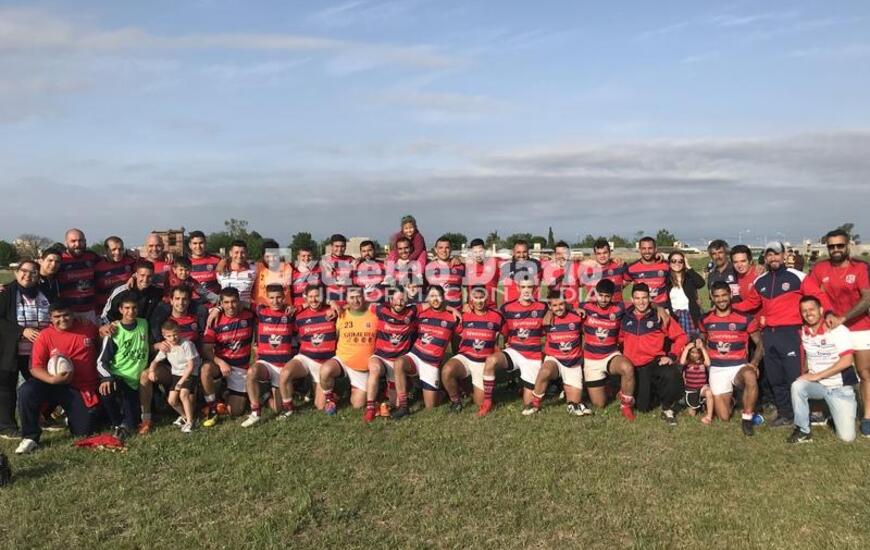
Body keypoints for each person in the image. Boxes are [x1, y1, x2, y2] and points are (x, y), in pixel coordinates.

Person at [739, 241, 823, 427]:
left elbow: (818, 297)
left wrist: (828, 315)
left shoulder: (798, 277)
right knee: (776, 378)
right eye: (769, 255)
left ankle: (801, 415)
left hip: (791, 333)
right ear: (765, 258)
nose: (773, 258)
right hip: (769, 334)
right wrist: (730, 307)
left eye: (776, 254)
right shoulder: (760, 281)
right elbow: (751, 304)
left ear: (784, 255)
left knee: (794, 377)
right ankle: (785, 414)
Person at [15, 302, 102, 454]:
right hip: (52, 383)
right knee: (26, 390)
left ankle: (68, 415)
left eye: (66, 315)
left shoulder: (87, 328)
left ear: (73, 314)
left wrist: (106, 329)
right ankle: (30, 437)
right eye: (57, 317)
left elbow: (101, 336)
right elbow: (35, 368)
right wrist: (52, 380)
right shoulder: (45, 336)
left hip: (79, 387)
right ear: (50, 318)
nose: (62, 319)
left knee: (84, 432)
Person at [807, 228, 870, 436]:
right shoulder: (820, 268)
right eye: (831, 246)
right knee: (829, 369)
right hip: (832, 327)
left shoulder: (859, 268)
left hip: (859, 327)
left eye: (839, 245)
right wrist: (827, 313)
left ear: (847, 246)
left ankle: (868, 416)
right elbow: (811, 290)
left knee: (864, 373)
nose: (835, 249)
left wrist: (844, 317)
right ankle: (830, 410)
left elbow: (867, 298)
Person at [789, 296, 858, 443]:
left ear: (821, 310)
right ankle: (803, 431)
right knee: (798, 385)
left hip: (840, 387)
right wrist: (806, 374)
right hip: (819, 385)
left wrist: (816, 375)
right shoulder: (804, 331)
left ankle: (833, 414)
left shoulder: (837, 330)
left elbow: (847, 361)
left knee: (847, 438)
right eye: (804, 311)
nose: (808, 314)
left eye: (812, 309)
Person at [699, 282, 763, 435]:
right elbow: (702, 338)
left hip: (738, 366)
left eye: (724, 295)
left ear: (730, 295)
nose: (721, 299)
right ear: (712, 298)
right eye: (717, 296)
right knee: (724, 417)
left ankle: (747, 419)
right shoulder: (705, 319)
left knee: (750, 375)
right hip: (717, 368)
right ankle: (733, 400)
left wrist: (754, 363)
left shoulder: (744, 318)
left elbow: (761, 343)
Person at [478, 280, 548, 417]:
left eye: (530, 287)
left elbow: (561, 308)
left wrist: (551, 313)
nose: (526, 290)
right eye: (523, 287)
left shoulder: (543, 307)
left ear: (535, 289)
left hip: (532, 355)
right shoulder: (507, 307)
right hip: (514, 351)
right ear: (517, 288)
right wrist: (496, 343)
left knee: (528, 403)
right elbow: (493, 319)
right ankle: (487, 402)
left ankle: (526, 387)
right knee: (491, 361)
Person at [620, 283, 687, 425]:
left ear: (650, 299)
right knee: (643, 407)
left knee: (672, 374)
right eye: (637, 298)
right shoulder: (624, 317)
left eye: (644, 298)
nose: (641, 302)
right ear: (631, 299)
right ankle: (651, 392)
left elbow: (681, 336)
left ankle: (667, 406)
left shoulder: (659, 316)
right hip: (633, 367)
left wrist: (672, 356)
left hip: (654, 362)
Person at [391, 286, 461, 419]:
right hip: (415, 356)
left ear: (443, 297)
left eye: (438, 296)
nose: (435, 299)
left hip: (431, 364)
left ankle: (442, 392)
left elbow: (459, 341)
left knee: (431, 406)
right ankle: (404, 407)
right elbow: (402, 311)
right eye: (432, 296)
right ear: (428, 298)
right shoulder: (420, 313)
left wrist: (451, 309)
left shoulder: (452, 318)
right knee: (399, 362)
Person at [140, 285, 202, 434]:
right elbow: (150, 346)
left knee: (188, 401)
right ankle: (146, 419)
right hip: (171, 369)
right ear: (171, 300)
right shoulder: (163, 321)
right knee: (145, 375)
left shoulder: (196, 319)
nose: (181, 303)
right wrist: (157, 345)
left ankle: (189, 416)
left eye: (185, 299)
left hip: (190, 369)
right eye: (177, 299)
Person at [0, 261, 52, 438]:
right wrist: (22, 331)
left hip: (37, 352)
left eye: (33, 272)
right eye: (23, 271)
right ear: (16, 273)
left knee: (39, 387)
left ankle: (38, 419)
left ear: (39, 275)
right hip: (10, 350)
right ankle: (7, 427)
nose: (27, 275)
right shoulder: (5, 292)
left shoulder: (46, 292)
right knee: (7, 388)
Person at [578, 279, 636, 419]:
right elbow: (564, 306)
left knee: (627, 368)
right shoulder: (585, 306)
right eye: (601, 295)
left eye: (607, 296)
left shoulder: (619, 308)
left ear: (612, 296)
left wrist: (659, 309)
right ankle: (608, 386)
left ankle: (626, 405)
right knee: (599, 404)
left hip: (610, 355)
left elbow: (641, 303)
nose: (604, 299)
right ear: (595, 294)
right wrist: (573, 309)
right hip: (591, 360)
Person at [523, 292, 588, 416]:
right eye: (555, 305)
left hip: (573, 361)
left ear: (566, 303)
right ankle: (535, 403)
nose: (559, 308)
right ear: (550, 306)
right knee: (545, 371)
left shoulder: (577, 316)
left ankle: (569, 396)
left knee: (574, 402)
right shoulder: (546, 319)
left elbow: (587, 335)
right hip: (554, 358)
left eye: (562, 304)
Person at [441, 286, 503, 412]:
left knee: (479, 402)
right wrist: (451, 308)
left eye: (482, 298)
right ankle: (456, 401)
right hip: (466, 357)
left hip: (483, 363)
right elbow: (438, 307)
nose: (479, 301)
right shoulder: (464, 316)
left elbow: (508, 332)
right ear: (471, 300)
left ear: (487, 299)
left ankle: (468, 387)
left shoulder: (496, 316)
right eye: (476, 298)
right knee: (447, 370)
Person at [96, 295, 149, 440]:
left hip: (137, 381)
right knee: (106, 390)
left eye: (134, 308)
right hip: (119, 377)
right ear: (120, 309)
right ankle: (116, 423)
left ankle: (126, 423)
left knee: (133, 424)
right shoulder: (113, 330)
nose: (130, 312)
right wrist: (106, 378)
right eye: (126, 308)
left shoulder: (144, 324)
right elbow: (101, 361)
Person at [200, 287, 255, 426]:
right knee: (205, 369)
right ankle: (212, 407)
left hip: (240, 368)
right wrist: (220, 362)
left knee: (235, 411)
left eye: (234, 301)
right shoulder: (215, 320)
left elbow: (264, 308)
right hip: (221, 365)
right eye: (226, 302)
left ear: (239, 301)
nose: (231, 306)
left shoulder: (249, 315)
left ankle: (225, 392)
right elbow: (206, 350)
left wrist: (245, 304)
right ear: (221, 303)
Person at [241, 284, 294, 427]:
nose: (275, 301)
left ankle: (266, 393)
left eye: (278, 298)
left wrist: (297, 307)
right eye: (271, 298)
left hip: (283, 366)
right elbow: (240, 301)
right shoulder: (261, 310)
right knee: (252, 372)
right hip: (265, 363)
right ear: (267, 299)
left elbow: (311, 304)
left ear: (284, 298)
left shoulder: (290, 313)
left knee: (277, 408)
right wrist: (217, 308)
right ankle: (255, 412)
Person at [320, 287, 378, 415]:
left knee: (357, 404)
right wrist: (333, 306)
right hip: (342, 360)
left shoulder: (375, 314)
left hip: (362, 366)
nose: (355, 300)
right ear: (346, 299)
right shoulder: (341, 314)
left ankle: (351, 388)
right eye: (351, 297)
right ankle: (331, 399)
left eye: (358, 297)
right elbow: (335, 335)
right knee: (325, 370)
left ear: (364, 297)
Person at [280, 284, 337, 412]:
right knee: (285, 373)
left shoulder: (332, 312)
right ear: (305, 298)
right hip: (305, 358)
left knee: (320, 406)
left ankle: (329, 392)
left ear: (323, 297)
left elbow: (347, 308)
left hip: (325, 363)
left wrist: (334, 304)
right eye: (310, 296)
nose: (314, 300)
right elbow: (289, 332)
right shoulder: (299, 314)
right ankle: (288, 409)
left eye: (317, 296)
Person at [365, 287, 418, 422]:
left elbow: (432, 303)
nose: (399, 303)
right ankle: (370, 408)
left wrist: (452, 309)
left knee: (396, 404)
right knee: (375, 369)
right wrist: (334, 305)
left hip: (397, 363)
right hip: (381, 357)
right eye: (396, 299)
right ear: (390, 300)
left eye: (402, 300)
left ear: (407, 301)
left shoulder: (412, 311)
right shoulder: (381, 309)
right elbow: (360, 303)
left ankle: (386, 395)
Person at [149, 319, 199, 433]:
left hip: (189, 373)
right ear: (164, 336)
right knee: (171, 401)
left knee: (183, 395)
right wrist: (151, 371)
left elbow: (191, 366)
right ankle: (185, 416)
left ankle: (190, 423)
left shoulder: (187, 344)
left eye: (175, 334)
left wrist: (181, 381)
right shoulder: (167, 346)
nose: (173, 338)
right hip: (176, 374)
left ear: (179, 331)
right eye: (169, 336)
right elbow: (155, 361)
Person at [101, 260, 164, 325]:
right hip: (121, 331)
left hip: (143, 331)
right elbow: (106, 316)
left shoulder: (157, 292)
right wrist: (108, 327)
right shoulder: (121, 291)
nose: (145, 279)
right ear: (136, 275)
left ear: (153, 276)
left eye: (149, 276)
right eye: (142, 275)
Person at [57, 228, 100, 323]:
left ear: (85, 242)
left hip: (91, 311)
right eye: (73, 241)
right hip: (68, 313)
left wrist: (129, 253)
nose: (77, 244)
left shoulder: (92, 257)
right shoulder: (59, 260)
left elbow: (111, 262)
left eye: (80, 241)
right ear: (66, 243)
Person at [665, 251, 706, 340]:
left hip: (691, 315)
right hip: (675, 316)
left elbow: (701, 283)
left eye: (680, 261)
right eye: (673, 261)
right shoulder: (666, 280)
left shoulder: (689, 278)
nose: (677, 263)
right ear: (669, 263)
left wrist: (688, 267)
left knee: (693, 344)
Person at [94, 236, 136, 313]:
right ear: (106, 250)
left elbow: (142, 271)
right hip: (106, 311)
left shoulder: (131, 261)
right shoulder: (98, 267)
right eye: (113, 250)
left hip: (128, 311)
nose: (117, 252)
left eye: (120, 249)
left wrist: (133, 276)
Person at [625, 237, 670, 307]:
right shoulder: (631, 268)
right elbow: (619, 286)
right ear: (639, 249)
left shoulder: (666, 265)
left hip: (663, 307)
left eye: (650, 248)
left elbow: (681, 265)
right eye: (644, 248)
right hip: (643, 308)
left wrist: (665, 256)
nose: (647, 251)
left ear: (655, 249)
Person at [579, 239, 627, 303]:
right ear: (595, 255)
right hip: (594, 311)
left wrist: (616, 289)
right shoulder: (587, 270)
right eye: (599, 253)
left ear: (610, 253)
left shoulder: (619, 266)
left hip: (617, 310)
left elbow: (628, 280)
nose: (602, 256)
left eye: (605, 253)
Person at [251, 239, 293, 309]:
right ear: (263, 256)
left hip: (284, 312)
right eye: (268, 256)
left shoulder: (288, 267)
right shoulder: (256, 268)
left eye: (275, 256)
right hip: (262, 312)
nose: (272, 259)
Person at [425, 236, 465, 309]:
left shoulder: (460, 266)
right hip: (436, 311)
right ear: (435, 250)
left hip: (457, 310)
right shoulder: (428, 267)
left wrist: (459, 258)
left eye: (447, 247)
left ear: (451, 249)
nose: (444, 250)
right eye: (440, 248)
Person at [679, 341, 713, 424]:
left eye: (697, 353)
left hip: (702, 389)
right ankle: (698, 406)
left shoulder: (703, 362)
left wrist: (702, 348)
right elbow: (682, 362)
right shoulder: (687, 362)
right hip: (691, 390)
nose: (695, 355)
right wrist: (686, 348)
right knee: (692, 414)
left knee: (709, 392)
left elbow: (708, 363)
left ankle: (709, 416)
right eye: (692, 352)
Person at [216, 240, 257, 308]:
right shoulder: (221, 270)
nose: (239, 256)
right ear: (230, 253)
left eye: (243, 252)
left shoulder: (254, 270)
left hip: (246, 310)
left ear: (247, 253)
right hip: (226, 310)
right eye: (236, 252)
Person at [464, 239, 499, 307]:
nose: (478, 255)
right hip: (472, 309)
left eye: (480, 251)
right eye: (475, 252)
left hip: (491, 308)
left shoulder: (495, 263)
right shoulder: (467, 267)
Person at [544, 241, 579, 307]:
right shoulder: (548, 269)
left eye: (564, 253)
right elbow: (549, 288)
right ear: (555, 255)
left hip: (573, 309)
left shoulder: (577, 267)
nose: (561, 256)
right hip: (556, 308)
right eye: (558, 253)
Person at [187, 230, 222, 297]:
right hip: (192, 303)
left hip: (213, 303)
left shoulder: (217, 260)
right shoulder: (185, 262)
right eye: (195, 243)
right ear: (190, 245)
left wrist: (225, 259)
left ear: (205, 243)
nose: (198, 246)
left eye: (201, 243)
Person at [353, 240, 387, 305]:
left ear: (374, 250)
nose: (367, 253)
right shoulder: (356, 266)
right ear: (360, 253)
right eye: (364, 251)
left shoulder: (383, 265)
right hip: (363, 304)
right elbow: (355, 284)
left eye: (369, 250)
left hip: (380, 303)